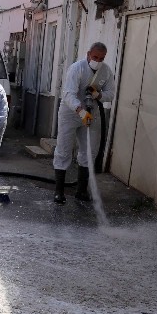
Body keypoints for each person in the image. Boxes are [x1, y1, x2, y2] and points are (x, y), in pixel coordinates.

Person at [53, 42, 114, 204]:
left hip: (92, 113)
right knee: (64, 149)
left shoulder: (106, 71)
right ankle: (59, 191)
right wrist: (80, 111)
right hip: (70, 113)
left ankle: (81, 190)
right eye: (95, 57)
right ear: (88, 54)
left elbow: (110, 93)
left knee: (89, 150)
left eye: (101, 58)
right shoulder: (77, 68)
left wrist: (98, 95)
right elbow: (68, 94)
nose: (97, 61)